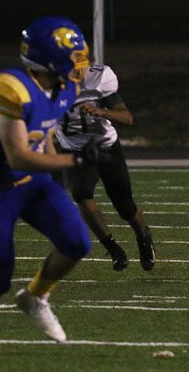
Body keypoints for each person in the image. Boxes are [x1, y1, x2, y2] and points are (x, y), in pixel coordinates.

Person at [0, 16, 106, 356]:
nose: (79, 65)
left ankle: (35, 296)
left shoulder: (64, 86)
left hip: (35, 182)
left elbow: (46, 133)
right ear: (46, 58)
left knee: (76, 243)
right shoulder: (9, 88)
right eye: (73, 58)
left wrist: (58, 168)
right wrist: (76, 161)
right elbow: (19, 156)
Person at [55, 63, 155, 272]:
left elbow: (127, 117)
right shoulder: (43, 85)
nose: (78, 73)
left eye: (80, 68)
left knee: (125, 206)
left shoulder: (98, 78)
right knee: (82, 196)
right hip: (75, 149)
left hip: (105, 146)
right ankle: (113, 248)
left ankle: (143, 235)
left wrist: (102, 111)